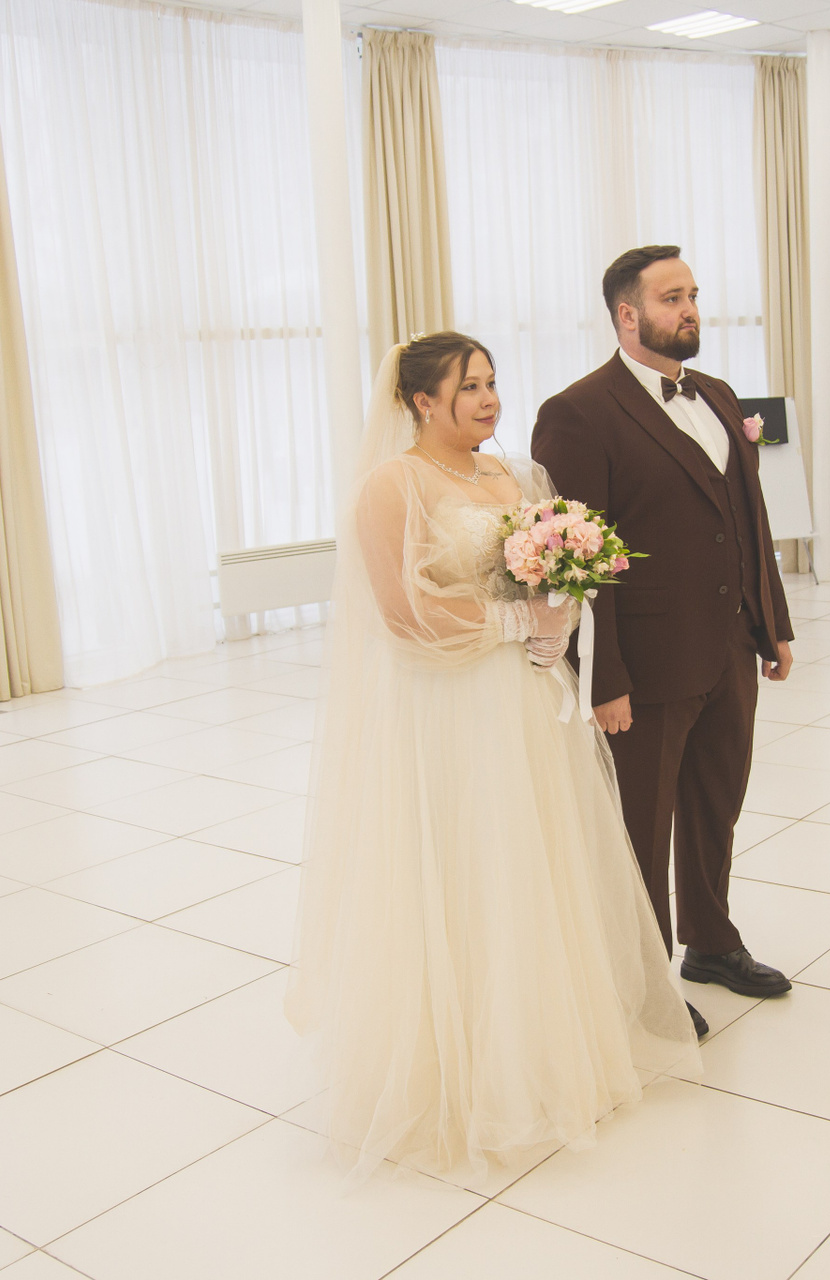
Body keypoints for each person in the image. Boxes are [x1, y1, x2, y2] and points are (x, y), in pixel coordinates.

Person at [286, 331, 698, 1180]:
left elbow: (546, 580)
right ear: (420, 401)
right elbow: (401, 613)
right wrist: (518, 623)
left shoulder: (512, 476)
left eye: (491, 381)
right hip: (446, 704)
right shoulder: (391, 485)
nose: (488, 399)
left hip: (520, 699)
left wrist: (558, 619)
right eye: (468, 386)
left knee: (526, 860)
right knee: (460, 862)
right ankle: (458, 1069)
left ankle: (540, 1051)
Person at [531, 245, 797, 1015]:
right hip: (643, 667)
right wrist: (601, 677)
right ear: (627, 314)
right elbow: (577, 561)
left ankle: (711, 942)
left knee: (717, 804)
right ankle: (642, 977)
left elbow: (748, 518)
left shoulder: (717, 394)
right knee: (641, 827)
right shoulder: (578, 413)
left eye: (693, 295)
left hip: (729, 646)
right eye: (672, 298)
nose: (690, 310)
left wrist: (772, 624)